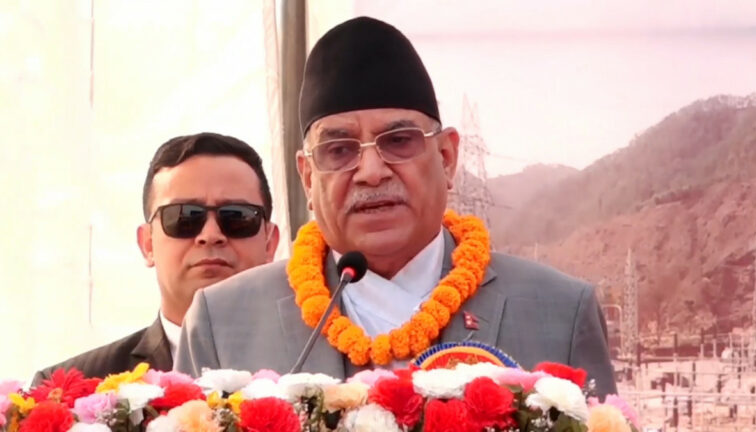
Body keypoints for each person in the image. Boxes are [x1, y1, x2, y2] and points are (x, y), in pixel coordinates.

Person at [175, 17, 617, 397]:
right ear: (308, 177)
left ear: (446, 157)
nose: (371, 172)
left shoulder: (559, 312)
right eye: (339, 150)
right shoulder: (224, 323)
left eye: (399, 141)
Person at [32, 132, 279, 384]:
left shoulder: (306, 366)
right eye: (184, 217)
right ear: (147, 243)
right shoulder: (65, 390)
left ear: (270, 243)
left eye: (237, 216)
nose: (210, 235)